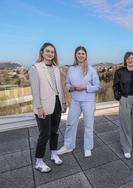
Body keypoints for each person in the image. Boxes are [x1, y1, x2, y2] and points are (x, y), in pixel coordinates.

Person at [29, 42, 67, 173]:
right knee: (44, 134)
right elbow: (35, 91)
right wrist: (38, 107)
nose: (50, 53)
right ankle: (39, 161)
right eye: (48, 51)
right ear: (42, 52)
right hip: (43, 106)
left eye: (52, 52)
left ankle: (53, 154)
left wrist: (64, 102)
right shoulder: (35, 68)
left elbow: (60, 88)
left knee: (54, 131)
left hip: (57, 104)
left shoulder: (56, 68)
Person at [57, 46, 100, 157]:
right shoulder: (71, 69)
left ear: (86, 56)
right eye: (78, 53)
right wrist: (70, 87)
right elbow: (67, 83)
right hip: (75, 101)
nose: (80, 55)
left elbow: (97, 87)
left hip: (88, 101)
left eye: (82, 53)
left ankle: (88, 147)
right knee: (70, 123)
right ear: (75, 55)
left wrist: (85, 87)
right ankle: (68, 146)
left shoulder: (91, 70)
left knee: (88, 125)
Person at [113, 52, 133, 159]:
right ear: (125, 60)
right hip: (125, 98)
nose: (130, 60)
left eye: (132, 58)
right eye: (128, 58)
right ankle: (126, 148)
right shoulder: (120, 72)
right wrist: (118, 97)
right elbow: (115, 86)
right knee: (125, 125)